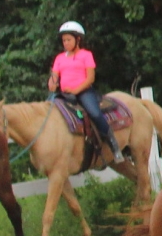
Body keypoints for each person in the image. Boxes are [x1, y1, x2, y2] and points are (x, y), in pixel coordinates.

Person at [48, 21, 117, 157]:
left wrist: (75, 90)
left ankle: (113, 143)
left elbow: (90, 78)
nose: (65, 43)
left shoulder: (86, 55)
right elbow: (54, 76)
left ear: (78, 39)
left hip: (83, 92)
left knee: (95, 113)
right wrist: (52, 83)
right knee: (47, 110)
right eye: (64, 40)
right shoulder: (59, 58)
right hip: (64, 94)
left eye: (68, 40)